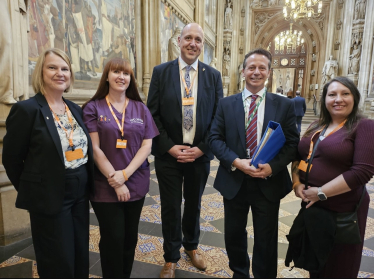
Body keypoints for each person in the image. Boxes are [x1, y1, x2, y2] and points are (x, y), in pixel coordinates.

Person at [2, 48, 94, 278]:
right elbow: (11, 159)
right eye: (52, 67)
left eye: (65, 69)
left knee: (80, 251)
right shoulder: (27, 110)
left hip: (80, 192)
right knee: (57, 258)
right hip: (49, 195)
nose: (60, 73)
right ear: (40, 72)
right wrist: (34, 190)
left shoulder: (74, 109)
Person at [208, 48, 299, 278]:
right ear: (243, 71)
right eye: (251, 67)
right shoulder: (225, 104)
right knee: (233, 234)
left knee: (266, 238)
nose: (256, 72)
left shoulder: (284, 105)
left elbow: (292, 144)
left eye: (261, 68)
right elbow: (214, 139)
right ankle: (239, 272)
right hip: (234, 179)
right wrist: (236, 161)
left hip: (267, 181)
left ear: (269, 72)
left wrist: (272, 167)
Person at [147, 22, 223, 278]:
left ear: (203, 45)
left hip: (198, 155)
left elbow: (217, 118)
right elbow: (153, 114)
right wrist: (169, 147)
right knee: (170, 206)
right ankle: (171, 257)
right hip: (169, 154)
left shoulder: (213, 76)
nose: (193, 43)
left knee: (194, 204)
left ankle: (191, 246)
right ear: (178, 41)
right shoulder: (161, 72)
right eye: (188, 38)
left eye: (198, 40)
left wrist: (202, 149)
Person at [82, 57, 159, 278]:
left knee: (129, 238)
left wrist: (124, 175)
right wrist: (115, 180)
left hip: (135, 181)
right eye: (116, 72)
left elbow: (147, 145)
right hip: (104, 184)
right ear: (107, 76)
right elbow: (94, 148)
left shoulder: (140, 108)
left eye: (126, 73)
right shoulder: (92, 108)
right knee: (112, 237)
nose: (121, 77)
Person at [291, 76, 374, 278]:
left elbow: (362, 172)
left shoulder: (364, 126)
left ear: (354, 98)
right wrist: (296, 183)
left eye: (345, 93)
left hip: (343, 208)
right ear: (324, 99)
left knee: (340, 266)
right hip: (314, 207)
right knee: (316, 262)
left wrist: (320, 192)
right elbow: (299, 155)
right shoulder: (317, 125)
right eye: (332, 94)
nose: (338, 99)